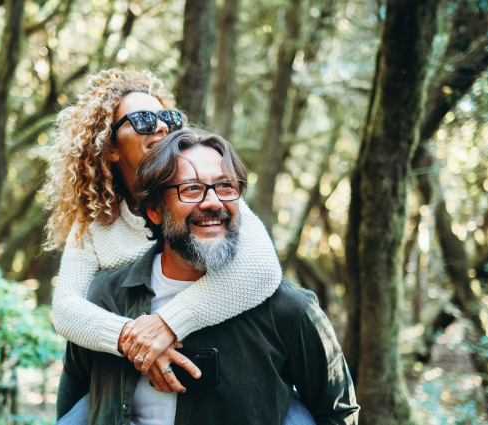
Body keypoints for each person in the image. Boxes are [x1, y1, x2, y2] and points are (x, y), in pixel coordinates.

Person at [44, 69, 313, 420]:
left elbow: (262, 270)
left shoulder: (209, 197)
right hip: (119, 376)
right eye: (141, 120)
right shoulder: (96, 221)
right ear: (109, 147)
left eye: (167, 118)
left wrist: (167, 325)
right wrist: (138, 341)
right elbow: (66, 308)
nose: (159, 127)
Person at [55, 129, 358, 424]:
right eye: (191, 189)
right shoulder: (106, 297)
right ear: (155, 211)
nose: (213, 202)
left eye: (226, 186)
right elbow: (76, 402)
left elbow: (338, 413)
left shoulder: (288, 309)